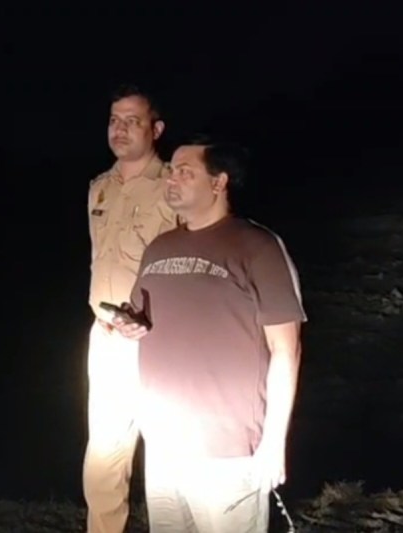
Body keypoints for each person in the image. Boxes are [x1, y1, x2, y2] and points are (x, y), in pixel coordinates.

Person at [111, 136, 306, 533]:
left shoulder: (258, 246)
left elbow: (286, 350)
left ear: (219, 182)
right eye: (171, 171)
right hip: (164, 442)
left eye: (185, 172)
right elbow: (141, 320)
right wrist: (129, 325)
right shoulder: (159, 248)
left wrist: (273, 443)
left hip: (227, 450)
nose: (171, 180)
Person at [82, 84, 179, 533]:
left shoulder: (175, 186)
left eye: (132, 121)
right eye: (113, 120)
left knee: (170, 459)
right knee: (104, 456)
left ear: (156, 129)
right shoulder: (99, 188)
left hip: (162, 340)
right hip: (107, 338)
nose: (119, 130)